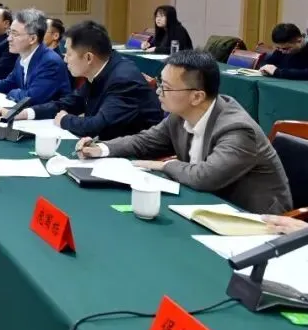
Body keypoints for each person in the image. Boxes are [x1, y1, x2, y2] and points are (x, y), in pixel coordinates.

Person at [77, 49, 292, 215]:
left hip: (254, 220)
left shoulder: (237, 129)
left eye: (166, 87)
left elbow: (205, 177)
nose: (158, 91)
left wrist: (165, 165)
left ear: (197, 96)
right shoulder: (180, 115)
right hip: (205, 206)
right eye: (159, 83)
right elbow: (145, 141)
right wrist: (102, 148)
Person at [0, 20, 164, 140]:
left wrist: (65, 120)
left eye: (69, 54)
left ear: (89, 57)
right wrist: (25, 113)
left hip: (135, 155)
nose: (65, 60)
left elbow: (98, 126)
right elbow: (71, 102)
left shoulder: (123, 79)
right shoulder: (102, 68)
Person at [0, 8, 70, 104]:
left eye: (14, 34)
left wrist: (12, 92)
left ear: (32, 39)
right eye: (9, 32)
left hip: (47, 113)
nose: (9, 38)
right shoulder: (23, 55)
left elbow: (31, 98)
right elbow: (9, 83)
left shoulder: (50, 62)